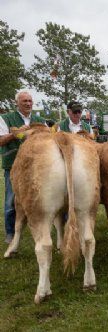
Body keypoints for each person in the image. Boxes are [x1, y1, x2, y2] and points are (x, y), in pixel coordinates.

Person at [0, 91, 45, 243]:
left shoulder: (39, 119)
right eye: (24, 101)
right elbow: (1, 141)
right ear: (17, 103)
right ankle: (11, 233)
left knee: (39, 197)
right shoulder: (6, 118)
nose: (28, 103)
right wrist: (17, 133)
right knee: (11, 200)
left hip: (36, 166)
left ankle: (39, 228)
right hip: (13, 165)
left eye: (30, 101)